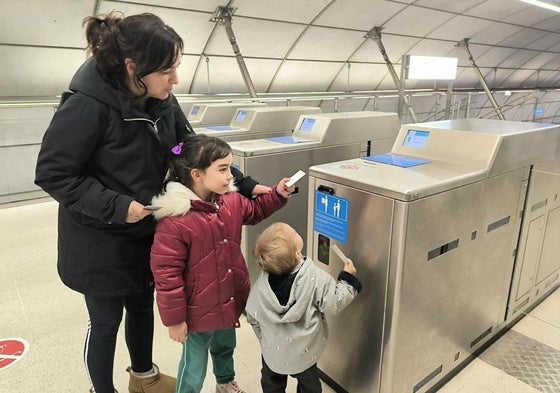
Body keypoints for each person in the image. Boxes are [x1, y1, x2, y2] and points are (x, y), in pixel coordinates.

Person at [34, 11, 266, 393]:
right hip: (99, 239)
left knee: (142, 305)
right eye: (166, 70)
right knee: (106, 321)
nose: (175, 79)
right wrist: (116, 206)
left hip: (147, 231)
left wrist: (241, 182)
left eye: (176, 68)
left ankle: (143, 377)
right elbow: (55, 174)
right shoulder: (86, 106)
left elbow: (189, 152)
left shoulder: (162, 101)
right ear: (131, 67)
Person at [149, 134, 294, 393]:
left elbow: (255, 211)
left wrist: (277, 195)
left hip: (227, 296)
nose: (231, 176)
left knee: (225, 346)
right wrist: (175, 320)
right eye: (223, 169)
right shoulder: (174, 221)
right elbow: (166, 275)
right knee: (194, 364)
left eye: (231, 168)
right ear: (197, 174)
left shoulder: (231, 201)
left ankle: (225, 382)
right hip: (196, 308)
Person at [245, 222, 363, 393]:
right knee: (310, 388)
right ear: (298, 253)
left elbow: (252, 316)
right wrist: (347, 279)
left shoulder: (260, 287)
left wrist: (265, 340)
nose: (296, 231)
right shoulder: (314, 278)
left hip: (273, 355)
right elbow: (334, 302)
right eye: (295, 231)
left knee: (272, 384)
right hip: (304, 355)